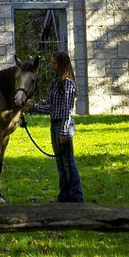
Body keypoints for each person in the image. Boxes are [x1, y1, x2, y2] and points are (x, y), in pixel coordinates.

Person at [32, 50, 84, 203]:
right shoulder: (57, 83)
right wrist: (32, 107)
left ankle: (76, 196)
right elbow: (53, 107)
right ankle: (64, 196)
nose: (52, 66)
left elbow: (67, 110)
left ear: (61, 64)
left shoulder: (67, 83)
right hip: (54, 125)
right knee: (60, 164)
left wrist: (63, 132)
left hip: (63, 126)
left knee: (68, 162)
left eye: (54, 63)